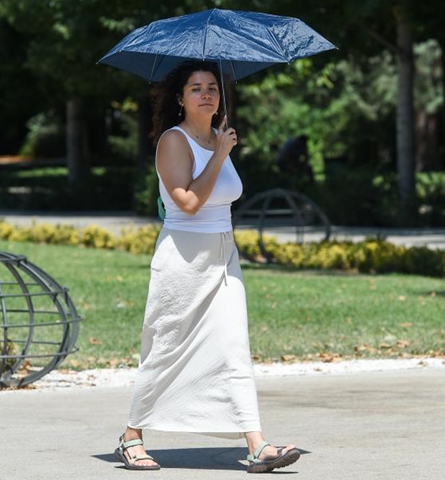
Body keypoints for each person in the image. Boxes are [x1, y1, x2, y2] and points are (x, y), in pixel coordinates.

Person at [114, 61, 300, 473]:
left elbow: (223, 197)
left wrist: (221, 146)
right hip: (182, 257)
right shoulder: (173, 141)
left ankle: (257, 445)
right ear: (179, 98)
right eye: (195, 88)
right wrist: (219, 154)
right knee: (166, 347)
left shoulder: (220, 136)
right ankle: (131, 436)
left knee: (234, 345)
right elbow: (189, 202)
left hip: (223, 254)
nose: (206, 94)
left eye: (212, 87)